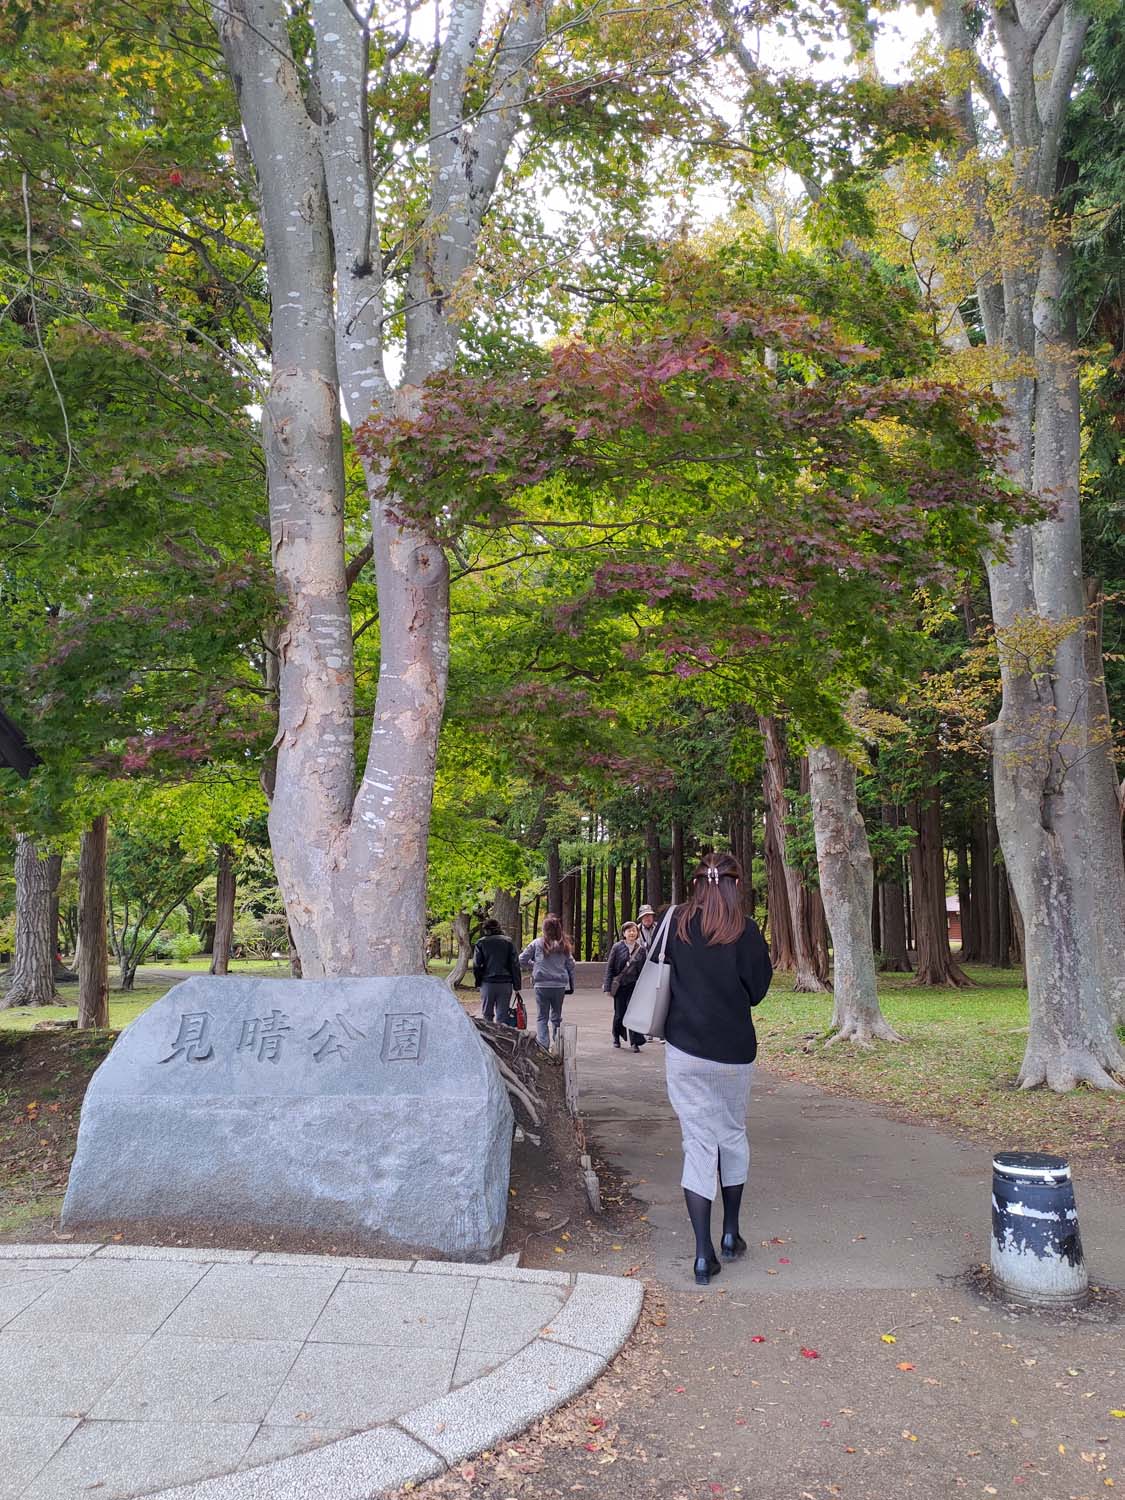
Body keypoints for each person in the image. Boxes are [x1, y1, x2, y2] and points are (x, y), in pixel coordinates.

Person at [661, 852, 772, 1287]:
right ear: (734, 884)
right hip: (733, 1052)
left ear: (697, 883)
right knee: (731, 1134)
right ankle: (731, 1233)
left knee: (699, 1144)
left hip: (685, 1049)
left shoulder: (676, 924)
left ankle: (702, 1255)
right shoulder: (745, 931)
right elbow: (758, 990)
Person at [519, 915, 576, 1050]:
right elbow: (571, 964)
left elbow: (521, 959)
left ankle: (544, 1044)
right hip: (559, 986)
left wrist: (535, 965)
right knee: (556, 1016)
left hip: (541, 985)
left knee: (542, 1016)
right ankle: (558, 1042)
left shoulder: (536, 943)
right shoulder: (564, 945)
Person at [603, 921, 648, 1051]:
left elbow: (644, 970)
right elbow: (610, 968)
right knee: (619, 1014)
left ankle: (635, 1042)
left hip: (634, 986)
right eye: (629, 931)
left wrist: (644, 988)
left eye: (634, 930)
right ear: (624, 933)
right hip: (620, 986)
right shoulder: (617, 947)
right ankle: (616, 1035)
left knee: (633, 1014)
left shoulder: (641, 950)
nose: (632, 933)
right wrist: (607, 987)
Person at [472, 918, 521, 1027]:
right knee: (503, 1016)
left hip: (487, 983)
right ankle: (502, 1039)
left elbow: (476, 965)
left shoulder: (481, 943)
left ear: (486, 930)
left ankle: (488, 1040)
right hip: (505, 983)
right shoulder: (508, 942)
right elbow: (515, 965)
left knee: (487, 1015)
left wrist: (478, 982)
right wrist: (517, 985)